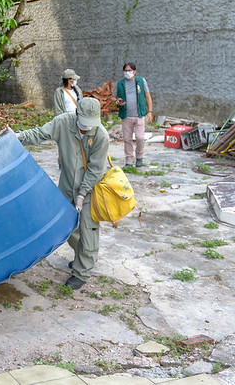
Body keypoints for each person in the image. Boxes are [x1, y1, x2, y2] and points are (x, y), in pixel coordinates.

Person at [15, 97, 109, 290]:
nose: (86, 128)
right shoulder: (63, 123)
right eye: (84, 124)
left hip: (90, 188)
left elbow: (95, 169)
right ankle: (83, 257)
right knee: (68, 227)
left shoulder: (101, 136)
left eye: (90, 124)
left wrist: (82, 194)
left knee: (88, 229)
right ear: (76, 114)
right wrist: (17, 137)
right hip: (66, 185)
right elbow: (40, 133)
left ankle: (82, 272)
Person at [115, 62, 153, 169]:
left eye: (129, 70)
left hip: (139, 115)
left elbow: (148, 96)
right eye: (125, 71)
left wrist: (150, 112)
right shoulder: (119, 83)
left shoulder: (141, 81)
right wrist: (118, 101)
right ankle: (129, 161)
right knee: (127, 139)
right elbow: (113, 97)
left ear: (135, 71)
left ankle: (139, 157)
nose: (127, 73)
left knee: (140, 137)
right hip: (126, 115)